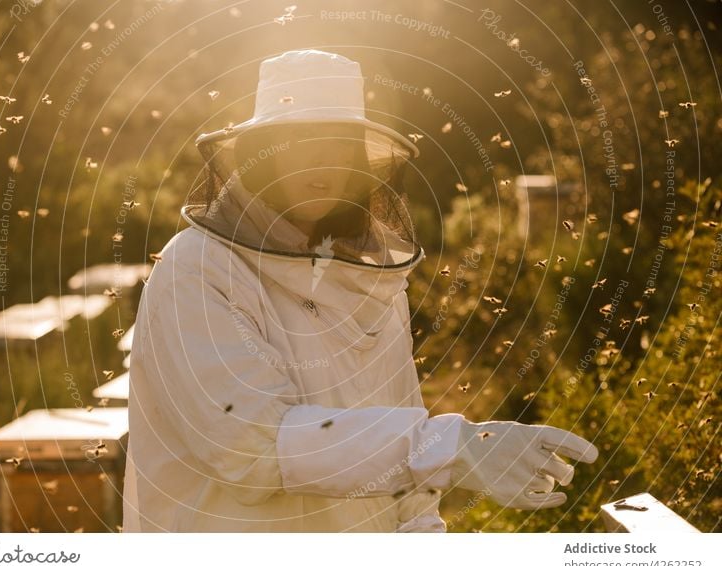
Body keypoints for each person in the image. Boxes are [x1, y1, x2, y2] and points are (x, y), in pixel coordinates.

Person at [121, 49, 598, 532]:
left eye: (340, 143)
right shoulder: (197, 269)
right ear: (258, 152)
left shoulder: (366, 278)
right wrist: (451, 447)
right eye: (299, 138)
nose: (321, 160)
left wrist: (422, 535)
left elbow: (403, 438)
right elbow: (251, 447)